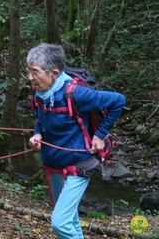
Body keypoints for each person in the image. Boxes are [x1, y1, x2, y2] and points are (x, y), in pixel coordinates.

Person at [27, 43, 126, 239]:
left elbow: (118, 100)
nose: (30, 77)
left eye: (35, 72)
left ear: (54, 73)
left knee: (60, 223)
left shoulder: (76, 93)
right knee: (69, 219)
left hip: (78, 167)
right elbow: (40, 117)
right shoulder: (40, 93)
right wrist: (37, 133)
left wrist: (100, 134)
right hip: (52, 165)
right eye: (29, 72)